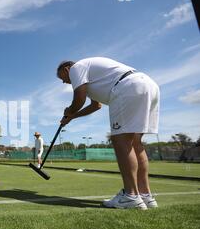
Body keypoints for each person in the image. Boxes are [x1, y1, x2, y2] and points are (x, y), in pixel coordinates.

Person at [56, 57, 159, 210]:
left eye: (62, 78)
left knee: (121, 141)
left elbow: (79, 98)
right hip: (148, 85)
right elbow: (96, 105)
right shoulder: (91, 74)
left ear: (66, 69)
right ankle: (145, 195)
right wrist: (73, 116)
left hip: (127, 88)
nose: (64, 82)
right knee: (135, 143)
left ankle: (131, 196)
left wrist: (69, 111)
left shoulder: (77, 68)